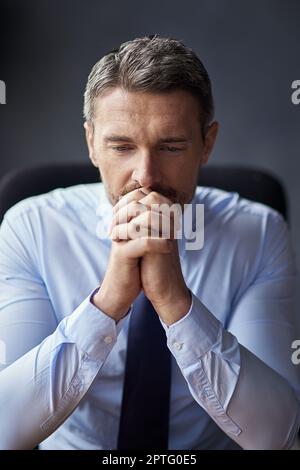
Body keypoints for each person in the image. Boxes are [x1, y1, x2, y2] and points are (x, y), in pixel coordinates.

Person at [0, 35, 299, 450]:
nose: (146, 175)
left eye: (171, 146)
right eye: (121, 147)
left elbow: (276, 435)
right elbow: (4, 429)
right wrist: (108, 303)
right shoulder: (29, 227)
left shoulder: (259, 233)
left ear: (206, 144)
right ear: (91, 143)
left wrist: (175, 300)